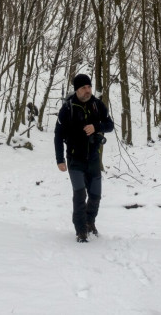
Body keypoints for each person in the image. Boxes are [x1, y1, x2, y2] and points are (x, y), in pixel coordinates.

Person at [54, 73, 115, 243]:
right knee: (80, 195)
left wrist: (96, 127)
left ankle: (90, 222)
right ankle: (81, 230)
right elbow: (58, 135)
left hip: (94, 158)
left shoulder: (97, 104)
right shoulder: (68, 108)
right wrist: (60, 159)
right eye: (83, 88)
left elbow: (110, 126)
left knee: (95, 195)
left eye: (89, 87)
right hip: (75, 159)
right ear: (77, 90)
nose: (87, 90)